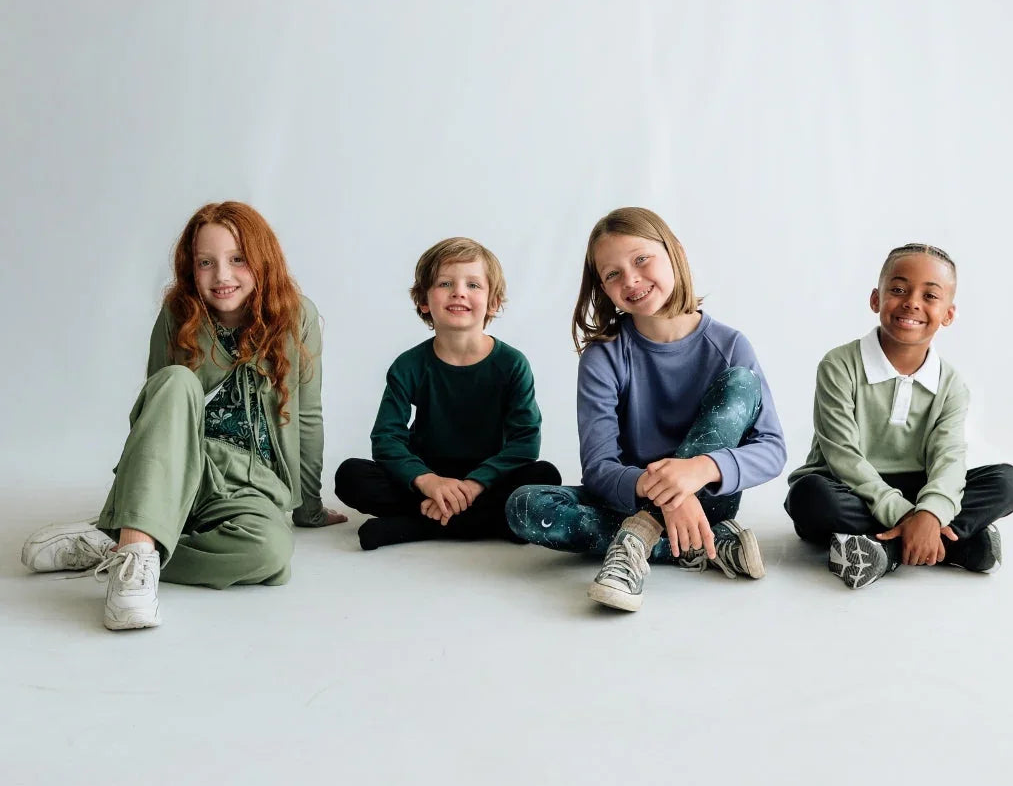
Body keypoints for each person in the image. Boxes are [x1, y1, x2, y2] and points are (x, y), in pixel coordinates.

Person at [21, 201, 345, 629]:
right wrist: (133, 493)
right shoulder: (179, 314)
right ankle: (135, 563)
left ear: (262, 260)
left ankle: (121, 548)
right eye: (206, 263)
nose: (222, 276)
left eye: (237, 259)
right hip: (182, 470)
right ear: (191, 269)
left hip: (253, 485)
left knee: (270, 556)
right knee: (175, 380)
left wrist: (310, 506)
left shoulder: (297, 315)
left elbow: (308, 414)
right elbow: (155, 415)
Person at [506, 207, 786, 612]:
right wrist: (670, 497)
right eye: (612, 274)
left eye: (641, 259)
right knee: (524, 506)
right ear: (602, 287)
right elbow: (600, 469)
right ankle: (707, 545)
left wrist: (697, 471)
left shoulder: (730, 346)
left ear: (676, 253)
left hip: (709, 498)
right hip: (630, 497)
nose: (631, 280)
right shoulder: (603, 357)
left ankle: (639, 539)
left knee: (742, 382)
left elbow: (773, 449)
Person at [785, 243, 1013, 589]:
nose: (912, 301)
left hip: (919, 486)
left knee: (1008, 482)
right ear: (875, 299)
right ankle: (955, 545)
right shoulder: (838, 365)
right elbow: (842, 456)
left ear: (948, 314)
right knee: (808, 497)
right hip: (848, 487)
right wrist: (908, 515)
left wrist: (930, 511)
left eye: (930, 296)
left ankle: (888, 552)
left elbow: (948, 459)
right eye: (898, 290)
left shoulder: (951, 385)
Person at [334, 237, 560, 549]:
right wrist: (428, 481)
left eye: (473, 285)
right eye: (445, 283)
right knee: (350, 475)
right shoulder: (409, 365)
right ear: (424, 301)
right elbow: (386, 438)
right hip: (427, 474)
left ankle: (415, 526)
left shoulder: (512, 364)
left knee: (545, 476)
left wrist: (473, 484)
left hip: (488, 477)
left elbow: (525, 442)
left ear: (493, 302)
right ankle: (485, 523)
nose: (459, 292)